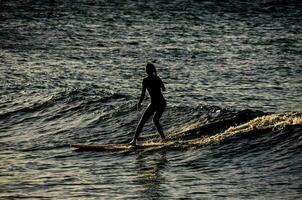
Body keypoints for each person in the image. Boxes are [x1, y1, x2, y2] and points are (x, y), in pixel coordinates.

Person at [130, 63, 167, 146]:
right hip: (161, 102)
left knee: (142, 121)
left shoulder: (145, 80)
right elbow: (164, 89)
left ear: (147, 71)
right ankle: (163, 139)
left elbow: (143, 94)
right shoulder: (157, 78)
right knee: (155, 120)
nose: (146, 70)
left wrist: (139, 103)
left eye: (146, 69)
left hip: (154, 103)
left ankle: (134, 141)